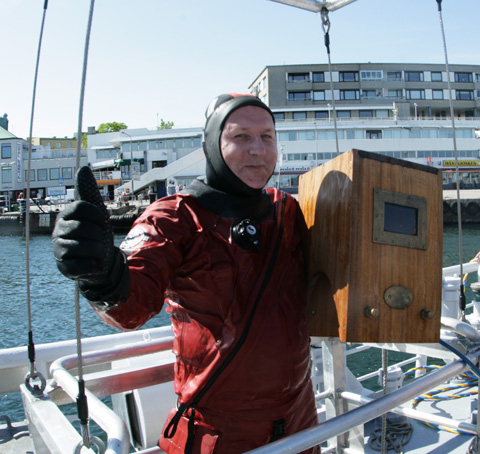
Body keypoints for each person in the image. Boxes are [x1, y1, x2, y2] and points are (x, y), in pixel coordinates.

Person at [52, 94, 319, 453]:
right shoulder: (174, 217)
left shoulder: (286, 210)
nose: (258, 149)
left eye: (267, 136)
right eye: (241, 137)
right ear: (212, 145)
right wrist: (100, 274)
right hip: (219, 433)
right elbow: (131, 307)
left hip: (301, 423)